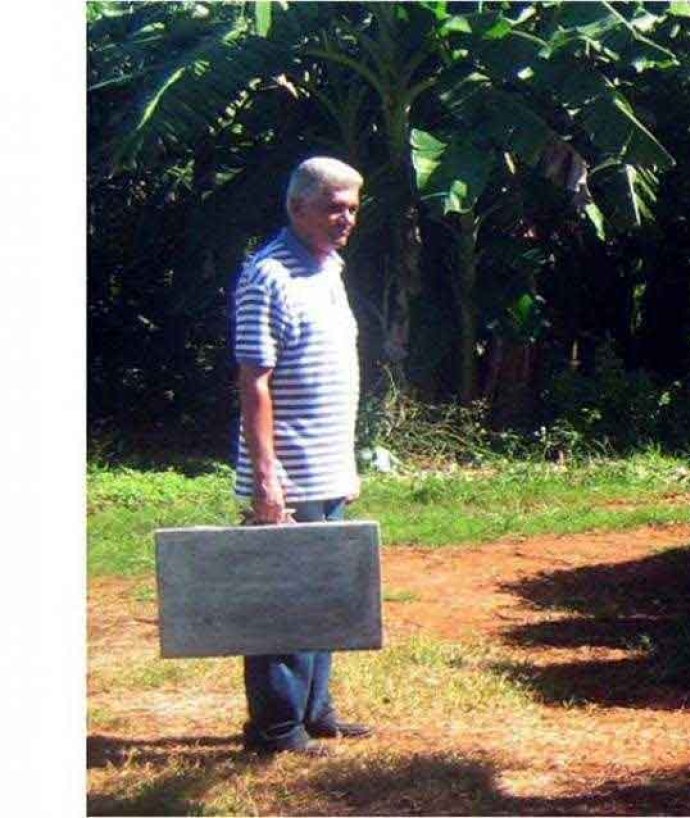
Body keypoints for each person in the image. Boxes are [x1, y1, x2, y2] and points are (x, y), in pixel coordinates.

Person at [232, 156, 372, 756]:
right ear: (298, 208)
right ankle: (275, 728)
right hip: (288, 473)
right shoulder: (268, 274)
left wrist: (347, 466)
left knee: (324, 596)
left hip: (328, 468)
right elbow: (253, 380)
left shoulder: (327, 267)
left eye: (353, 207)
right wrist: (267, 477)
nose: (346, 218)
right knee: (283, 605)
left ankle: (315, 712)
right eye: (334, 207)